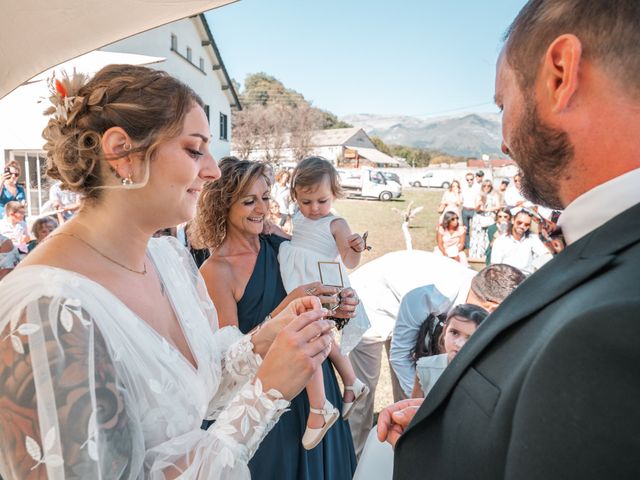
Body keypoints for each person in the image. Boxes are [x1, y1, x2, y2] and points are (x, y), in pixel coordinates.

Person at [0, 65, 338, 480]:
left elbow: (184, 387)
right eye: (195, 150)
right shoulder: (48, 313)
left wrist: (264, 339)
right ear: (122, 152)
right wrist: (266, 394)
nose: (213, 171)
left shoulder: (168, 261)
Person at [381, 2, 640, 478]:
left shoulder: (620, 321)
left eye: (503, 105)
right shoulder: (608, 244)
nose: (502, 141)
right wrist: (462, 431)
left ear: (560, 75)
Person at [194, 157, 358, 479]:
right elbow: (230, 358)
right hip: (272, 399)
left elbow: (319, 301)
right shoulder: (216, 271)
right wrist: (286, 308)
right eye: (249, 201)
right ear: (224, 203)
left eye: (265, 198)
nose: (261, 208)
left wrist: (341, 306)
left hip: (317, 385)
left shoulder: (282, 244)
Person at [278, 156, 370, 450]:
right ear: (296, 196)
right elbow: (297, 239)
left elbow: (350, 261)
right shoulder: (299, 214)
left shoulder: (336, 222)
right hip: (301, 280)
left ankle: (319, 408)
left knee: (310, 339)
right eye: (306, 201)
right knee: (321, 339)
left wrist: (355, 248)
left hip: (322, 283)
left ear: (335, 194)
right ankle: (352, 382)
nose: (314, 209)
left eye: (322, 200)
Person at [389, 263, 525, 398]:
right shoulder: (429, 296)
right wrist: (423, 402)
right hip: (385, 299)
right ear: (493, 308)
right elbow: (400, 355)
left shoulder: (488, 289)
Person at [412, 304, 488, 398]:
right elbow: (414, 408)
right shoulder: (425, 368)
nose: (459, 344)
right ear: (444, 331)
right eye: (454, 333)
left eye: (470, 338)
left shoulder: (486, 378)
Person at [490, 209, 552, 275]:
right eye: (519, 223)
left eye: (526, 225)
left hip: (527, 278)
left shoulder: (532, 239)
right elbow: (495, 267)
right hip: (507, 278)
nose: (522, 226)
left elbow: (547, 256)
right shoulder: (500, 241)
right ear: (513, 220)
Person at [468, 179, 500, 261]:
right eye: (484, 185)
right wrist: (479, 205)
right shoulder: (479, 195)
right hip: (479, 219)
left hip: (490, 218)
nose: (486, 187)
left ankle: (487, 255)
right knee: (477, 237)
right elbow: (476, 209)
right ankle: (476, 255)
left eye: (489, 186)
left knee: (488, 237)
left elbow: (498, 206)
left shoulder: (494, 195)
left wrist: (487, 209)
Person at [460, 172, 478, 249]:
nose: (469, 181)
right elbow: (461, 198)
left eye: (471, 179)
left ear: (474, 179)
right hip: (465, 210)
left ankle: (475, 245)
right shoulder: (464, 187)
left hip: (474, 210)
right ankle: (467, 246)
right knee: (465, 229)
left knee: (475, 229)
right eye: (467, 180)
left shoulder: (478, 187)